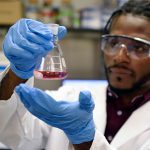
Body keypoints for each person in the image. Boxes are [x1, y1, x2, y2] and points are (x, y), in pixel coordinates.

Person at [0, 0, 150, 149]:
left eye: (138, 47)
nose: (119, 56)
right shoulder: (71, 98)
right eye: (113, 43)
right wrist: (18, 70)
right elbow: (13, 134)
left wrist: (84, 138)